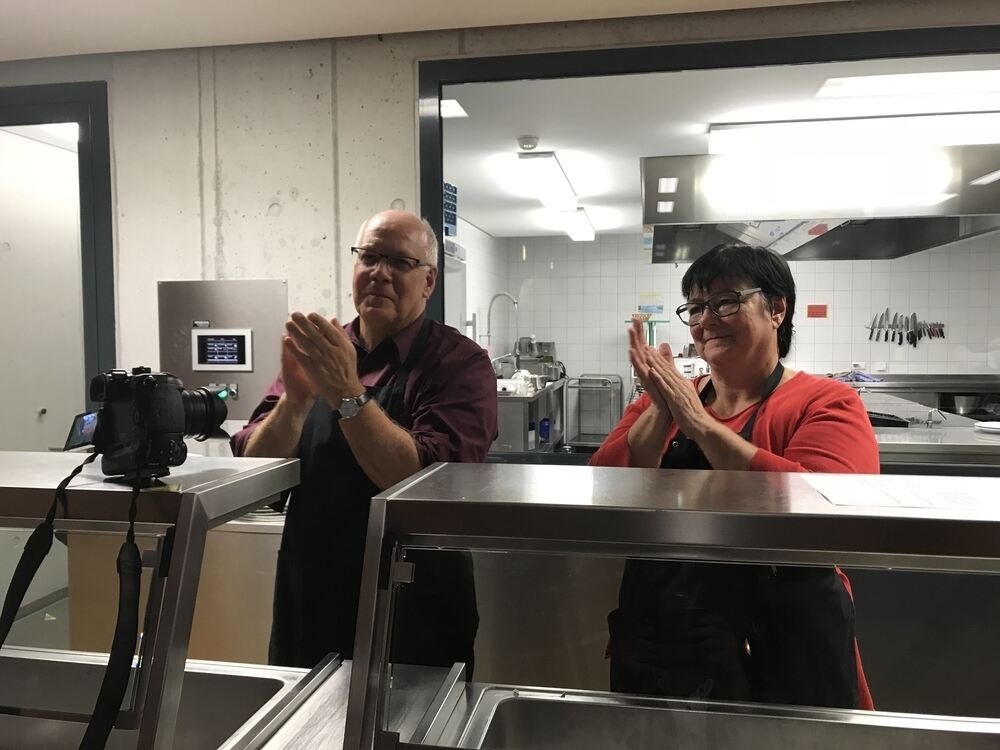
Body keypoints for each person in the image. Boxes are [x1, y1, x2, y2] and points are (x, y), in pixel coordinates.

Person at [591, 243, 878, 709]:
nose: (706, 321)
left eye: (726, 302)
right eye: (697, 307)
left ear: (777, 308)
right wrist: (664, 413)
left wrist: (699, 425)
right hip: (661, 636)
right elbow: (601, 489)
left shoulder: (826, 401)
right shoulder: (663, 402)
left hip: (783, 643)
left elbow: (829, 509)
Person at [232, 209, 498, 671]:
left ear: (429, 281)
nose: (380, 273)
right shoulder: (323, 349)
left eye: (400, 263)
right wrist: (294, 403)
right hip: (310, 603)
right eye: (369, 257)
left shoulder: (460, 365)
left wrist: (346, 393)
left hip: (412, 609)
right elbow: (256, 468)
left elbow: (428, 487)